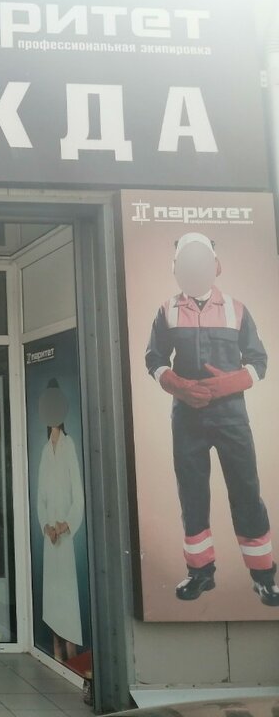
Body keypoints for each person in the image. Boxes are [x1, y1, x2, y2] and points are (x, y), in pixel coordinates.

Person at [145, 231, 279, 606]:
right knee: (192, 493)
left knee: (246, 490)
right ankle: (200, 572)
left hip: (231, 416)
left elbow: (259, 362)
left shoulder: (237, 309)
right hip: (186, 417)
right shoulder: (166, 311)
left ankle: (264, 576)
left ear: (215, 266)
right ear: (175, 268)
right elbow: (154, 359)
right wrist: (176, 385)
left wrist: (228, 384)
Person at [36, 378, 85, 661]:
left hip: (64, 537)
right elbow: (40, 498)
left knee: (66, 599)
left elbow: (78, 496)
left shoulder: (69, 445)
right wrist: (46, 526)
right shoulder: (45, 451)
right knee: (53, 601)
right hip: (50, 538)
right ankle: (56, 655)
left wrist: (64, 525)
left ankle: (73, 658)